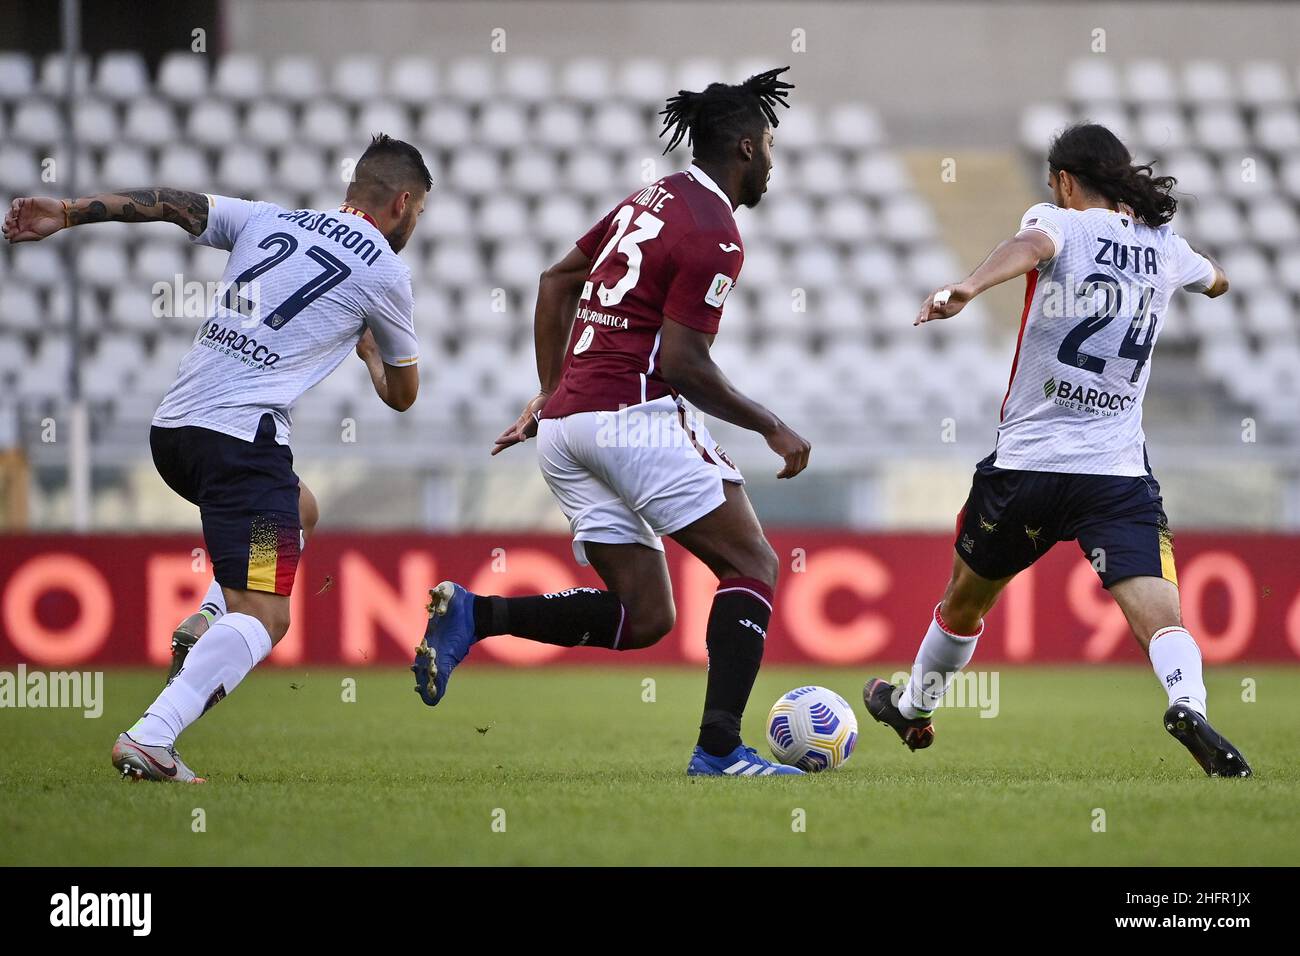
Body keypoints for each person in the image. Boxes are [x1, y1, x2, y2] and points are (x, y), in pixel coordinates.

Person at [411, 68, 813, 777]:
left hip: (569, 431)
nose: (775, 163)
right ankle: (720, 751)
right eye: (772, 145)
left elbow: (555, 281)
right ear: (747, 147)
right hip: (631, 418)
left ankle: (475, 615)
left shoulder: (651, 199)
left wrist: (549, 391)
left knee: (644, 615)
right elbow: (686, 365)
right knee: (751, 563)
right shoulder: (715, 232)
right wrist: (771, 425)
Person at [3, 133, 431, 782]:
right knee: (267, 614)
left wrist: (65, 213)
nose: (416, 225)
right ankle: (153, 736)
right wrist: (370, 352)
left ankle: (208, 614)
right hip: (241, 446)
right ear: (402, 202)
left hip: (175, 433)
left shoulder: (271, 218)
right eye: (420, 213)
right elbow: (403, 395)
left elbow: (169, 203)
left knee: (298, 507)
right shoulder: (386, 271)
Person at [862, 123, 1251, 778]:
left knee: (965, 600)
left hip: (1028, 467)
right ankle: (1188, 702)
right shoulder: (1166, 246)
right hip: (1116, 473)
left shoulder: (1058, 222)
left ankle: (913, 707)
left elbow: (1028, 245)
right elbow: (1221, 282)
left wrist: (968, 286)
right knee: (1158, 613)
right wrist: (1181, 267)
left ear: (1066, 181)